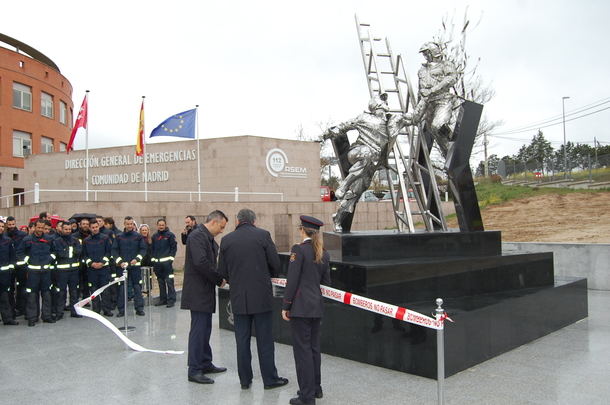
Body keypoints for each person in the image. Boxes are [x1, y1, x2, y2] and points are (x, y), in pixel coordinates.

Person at [218, 208, 288, 390]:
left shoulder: (226, 240)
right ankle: (270, 380)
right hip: (261, 297)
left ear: (237, 221)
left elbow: (222, 272)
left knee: (241, 340)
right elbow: (275, 263)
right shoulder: (263, 235)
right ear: (254, 221)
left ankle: (245, 380)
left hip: (239, 298)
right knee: (265, 340)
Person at [322, 93, 410, 232]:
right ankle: (344, 185)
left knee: (354, 194)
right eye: (383, 103)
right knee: (367, 153)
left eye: (386, 103)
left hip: (370, 165)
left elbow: (414, 118)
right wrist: (324, 136)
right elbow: (343, 126)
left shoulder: (393, 121)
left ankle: (337, 218)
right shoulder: (364, 117)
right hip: (357, 153)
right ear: (376, 106)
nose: (386, 106)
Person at [282, 215, 331, 405]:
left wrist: (286, 305)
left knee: (302, 352)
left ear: (302, 230)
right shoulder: (323, 253)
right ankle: (316, 389)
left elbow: (292, 281)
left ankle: (306, 396)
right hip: (316, 307)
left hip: (300, 308)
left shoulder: (299, 250)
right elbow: (326, 283)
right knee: (313, 350)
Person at [180, 210, 228, 384]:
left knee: (206, 328)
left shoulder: (206, 237)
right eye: (221, 227)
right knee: (199, 330)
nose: (222, 230)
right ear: (214, 222)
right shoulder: (197, 236)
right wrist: (218, 279)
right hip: (198, 291)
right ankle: (194, 370)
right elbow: (201, 262)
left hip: (204, 290)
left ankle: (205, 362)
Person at [20, 219, 57, 326]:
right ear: (34, 227)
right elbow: (20, 253)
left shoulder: (49, 239)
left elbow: (54, 251)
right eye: (38, 227)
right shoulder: (27, 240)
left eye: (42, 228)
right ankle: (32, 318)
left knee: (46, 294)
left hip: (46, 272)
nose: (40, 230)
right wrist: (28, 260)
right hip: (33, 272)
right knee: (32, 295)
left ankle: (47, 316)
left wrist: (50, 259)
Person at [112, 216, 147, 317]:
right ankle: (122, 310)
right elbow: (114, 251)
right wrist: (120, 262)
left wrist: (137, 259)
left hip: (135, 267)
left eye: (131, 224)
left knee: (137, 287)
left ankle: (139, 309)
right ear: (124, 224)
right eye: (127, 224)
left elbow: (143, 250)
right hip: (122, 268)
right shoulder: (119, 237)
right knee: (122, 288)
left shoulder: (138, 236)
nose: (129, 226)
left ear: (133, 224)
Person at [52, 222, 83, 319]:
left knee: (74, 292)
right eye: (66, 229)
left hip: (74, 270)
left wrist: (69, 250)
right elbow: (59, 254)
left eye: (69, 229)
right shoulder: (56, 241)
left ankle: (75, 311)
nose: (68, 231)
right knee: (61, 293)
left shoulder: (76, 240)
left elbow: (78, 252)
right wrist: (70, 250)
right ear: (61, 229)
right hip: (62, 271)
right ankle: (59, 312)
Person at [83, 221, 113, 316]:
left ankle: (107, 310)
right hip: (92, 270)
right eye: (93, 227)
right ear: (90, 228)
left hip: (104, 269)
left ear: (99, 227)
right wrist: (91, 263)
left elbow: (109, 252)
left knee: (105, 290)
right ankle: (96, 310)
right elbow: (84, 255)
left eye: (96, 227)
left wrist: (102, 262)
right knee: (94, 290)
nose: (95, 229)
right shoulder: (86, 240)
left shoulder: (105, 238)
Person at [151, 219, 177, 307]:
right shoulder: (154, 236)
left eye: (162, 225)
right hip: (158, 265)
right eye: (159, 225)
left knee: (169, 282)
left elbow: (173, 249)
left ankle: (171, 300)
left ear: (165, 225)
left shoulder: (170, 235)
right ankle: (163, 299)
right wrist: (154, 261)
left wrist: (170, 260)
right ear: (157, 225)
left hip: (167, 265)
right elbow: (153, 249)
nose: (161, 226)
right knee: (161, 282)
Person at [6, 216, 28, 318]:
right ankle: (11, 309)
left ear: (15, 223)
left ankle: (21, 308)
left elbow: (27, 249)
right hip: (9, 267)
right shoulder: (4, 235)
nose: (11, 226)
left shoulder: (22, 235)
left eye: (13, 224)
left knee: (21, 289)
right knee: (10, 289)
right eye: (9, 225)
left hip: (21, 267)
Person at [0, 220, 19, 325]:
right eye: (0, 226)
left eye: (3, 226)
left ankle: (7, 319)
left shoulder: (7, 240)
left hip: (4, 275)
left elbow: (12, 257)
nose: (1, 228)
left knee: (5, 298)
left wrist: (11, 269)